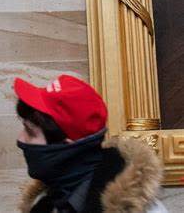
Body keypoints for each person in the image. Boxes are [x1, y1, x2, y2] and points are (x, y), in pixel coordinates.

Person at [13, 75, 168, 213]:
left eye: (30, 132)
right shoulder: (46, 203)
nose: (20, 140)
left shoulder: (142, 210)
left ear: (67, 145)